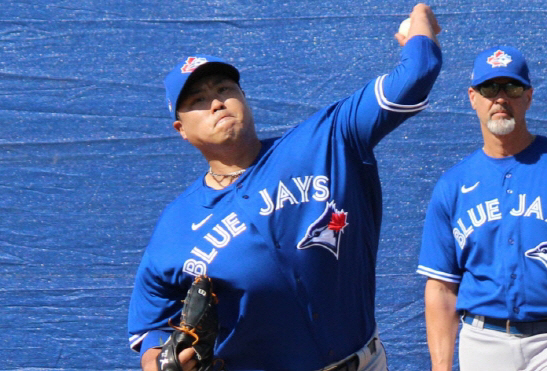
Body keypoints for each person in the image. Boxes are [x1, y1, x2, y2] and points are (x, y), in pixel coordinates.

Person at [129, 4, 442, 371]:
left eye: (225, 88)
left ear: (244, 98)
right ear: (181, 129)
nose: (216, 102)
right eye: (197, 100)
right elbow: (149, 325)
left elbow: (416, 73)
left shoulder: (326, 139)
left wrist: (420, 20)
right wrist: (159, 360)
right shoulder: (177, 225)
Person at [417, 45, 547, 371]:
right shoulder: (454, 185)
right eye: (489, 88)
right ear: (473, 98)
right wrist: (441, 367)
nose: (500, 98)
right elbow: (442, 287)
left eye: (512, 87)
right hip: (485, 340)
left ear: (528, 97)